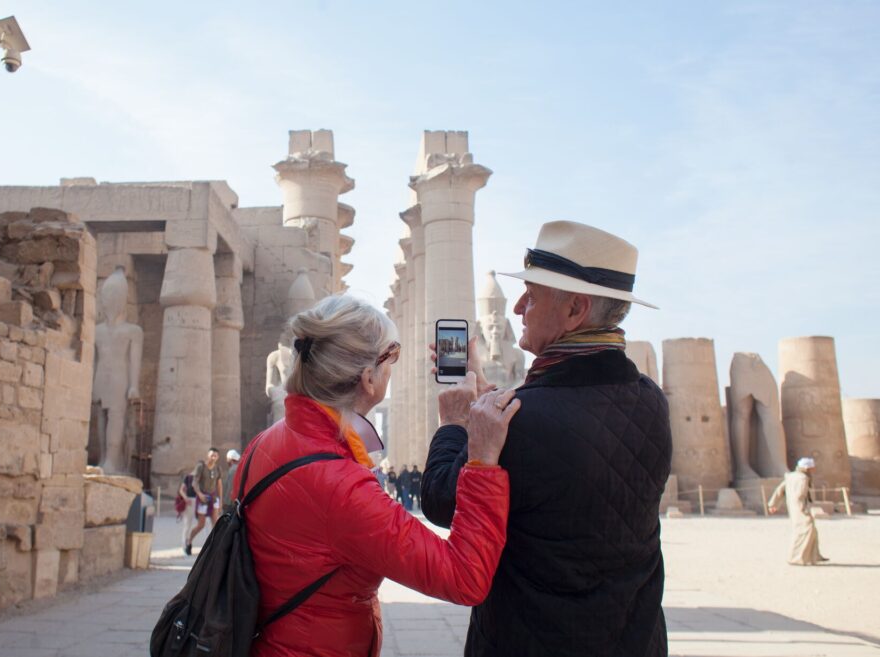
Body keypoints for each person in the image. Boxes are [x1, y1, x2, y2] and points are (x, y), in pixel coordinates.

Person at [421, 221, 672, 657]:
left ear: (575, 310)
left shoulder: (520, 419)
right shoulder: (652, 401)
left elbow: (441, 501)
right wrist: (491, 395)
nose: (518, 307)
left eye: (532, 296)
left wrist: (455, 424)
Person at [234, 294, 518, 657]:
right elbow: (465, 578)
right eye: (390, 359)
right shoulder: (339, 486)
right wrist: (478, 456)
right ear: (368, 378)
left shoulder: (266, 441)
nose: (392, 370)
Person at [768, 457, 828, 565]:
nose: (813, 470)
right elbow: (800, 494)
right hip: (799, 507)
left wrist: (773, 504)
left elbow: (780, 490)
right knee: (805, 530)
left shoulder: (791, 476)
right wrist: (803, 508)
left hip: (793, 506)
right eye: (811, 468)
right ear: (807, 468)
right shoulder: (803, 478)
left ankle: (814, 556)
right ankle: (796, 558)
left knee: (811, 530)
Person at [181, 447, 223, 555]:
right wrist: (199, 494)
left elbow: (219, 485)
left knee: (216, 523)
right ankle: (189, 541)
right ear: (208, 455)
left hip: (213, 498)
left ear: (217, 457)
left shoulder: (217, 469)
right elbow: (194, 483)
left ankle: (214, 547)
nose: (213, 457)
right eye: (211, 455)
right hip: (203, 498)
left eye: (215, 456)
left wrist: (221, 501)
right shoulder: (201, 467)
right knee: (201, 525)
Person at [221, 449, 242, 516]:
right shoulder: (236, 468)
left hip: (230, 502)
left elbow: (230, 487)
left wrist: (225, 502)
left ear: (230, 459)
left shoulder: (233, 469)